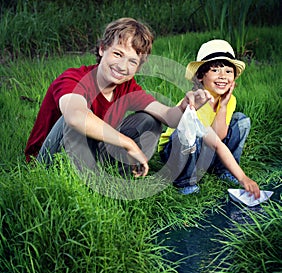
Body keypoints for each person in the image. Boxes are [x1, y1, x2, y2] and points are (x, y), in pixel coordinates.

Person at [25, 17, 211, 179]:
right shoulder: (74, 78)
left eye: (132, 61)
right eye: (117, 54)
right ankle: (83, 181)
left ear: (138, 68)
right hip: (49, 159)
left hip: (91, 155)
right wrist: (128, 143)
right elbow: (75, 117)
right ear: (102, 49)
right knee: (75, 118)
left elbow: (169, 117)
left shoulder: (127, 87)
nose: (123, 66)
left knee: (150, 120)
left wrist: (186, 107)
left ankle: (125, 171)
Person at [158, 39, 260, 198]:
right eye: (215, 70)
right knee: (189, 132)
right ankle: (184, 181)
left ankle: (222, 170)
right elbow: (216, 143)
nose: (223, 77)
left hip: (205, 144)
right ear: (200, 76)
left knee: (241, 121)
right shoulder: (197, 102)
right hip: (175, 152)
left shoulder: (229, 99)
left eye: (228, 72)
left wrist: (224, 106)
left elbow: (219, 136)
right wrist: (243, 177)